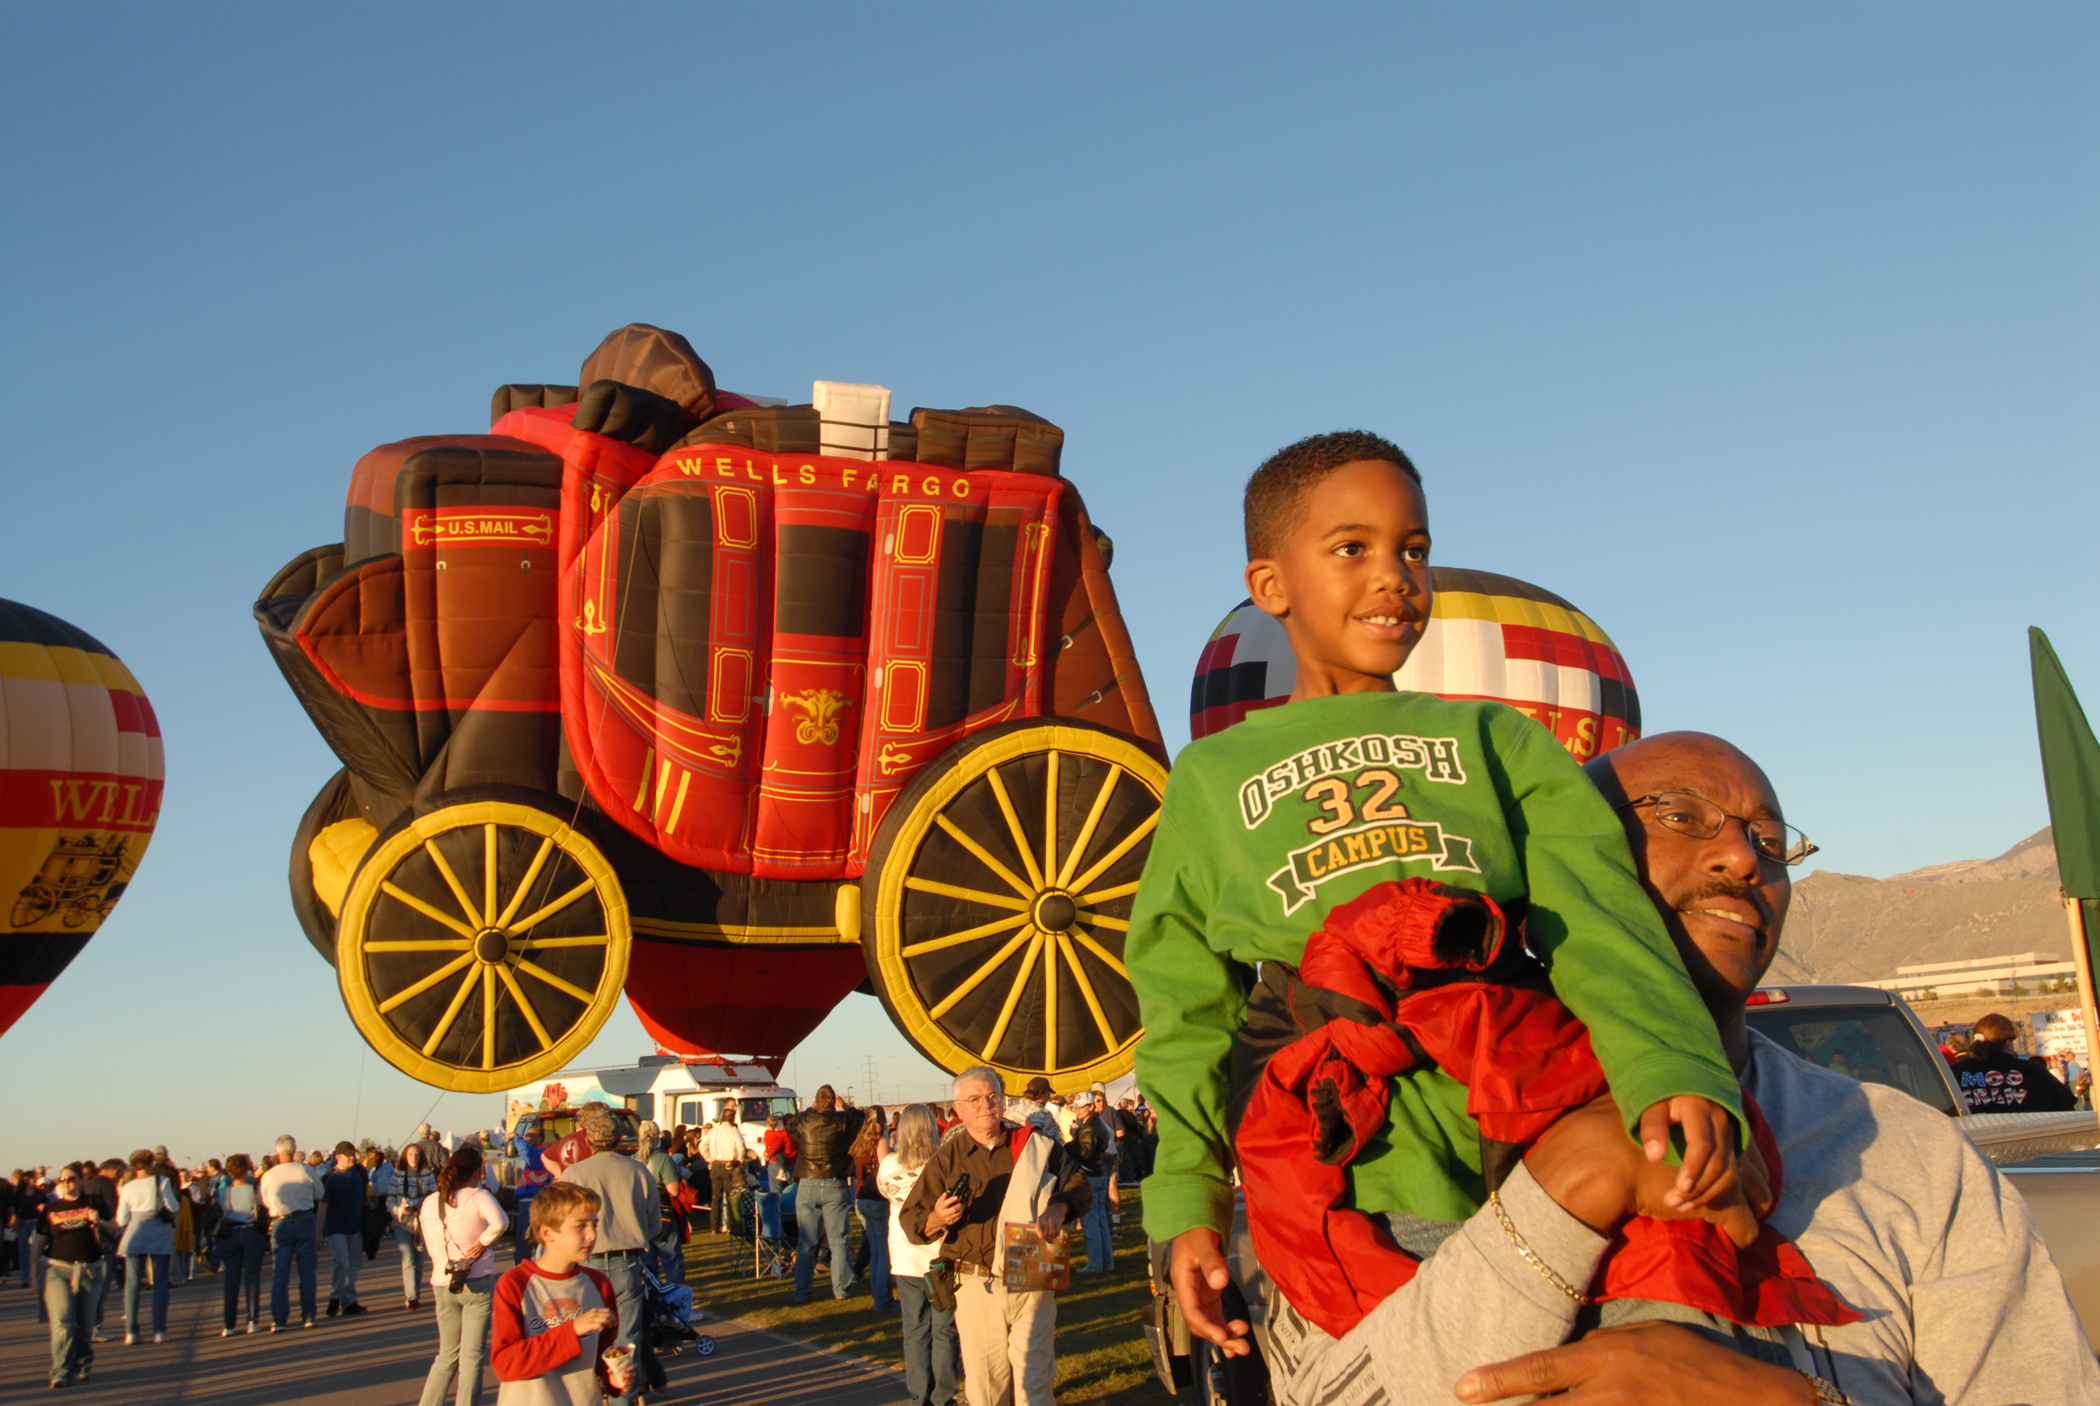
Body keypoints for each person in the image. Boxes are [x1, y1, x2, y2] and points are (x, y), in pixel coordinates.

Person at [1127, 432, 1747, 1351]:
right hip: (1354, 1165)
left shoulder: (1497, 739)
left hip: (1535, 1131)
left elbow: (1600, 923)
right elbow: (1184, 1006)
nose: (1395, 576)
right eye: (1353, 548)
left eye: (1412, 550)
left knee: (1625, 1356)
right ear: (1270, 586)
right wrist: (1188, 1195)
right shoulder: (1214, 777)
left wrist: (1671, 1067)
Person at [1260, 731, 2100, 1406]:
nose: (1744, 858)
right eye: (1680, 815)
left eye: (1770, 841)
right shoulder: (1377, 1127)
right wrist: (1564, 1187)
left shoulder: (1912, 1159)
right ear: (1566, 861)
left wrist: (1800, 1402)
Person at [898, 1065, 1091, 1406]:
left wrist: (1059, 1207)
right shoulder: (948, 1158)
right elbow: (912, 1221)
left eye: (992, 1097)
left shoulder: (1035, 1145)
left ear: (1003, 1102)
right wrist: (937, 1218)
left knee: (1036, 1381)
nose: (985, 1105)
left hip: (1032, 1272)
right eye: (974, 1099)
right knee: (987, 1391)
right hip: (975, 1284)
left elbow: (1078, 1183)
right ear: (958, 1109)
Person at [490, 1181, 635, 1404]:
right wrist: (571, 1331)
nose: (591, 1235)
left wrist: (613, 1377)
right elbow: (505, 1364)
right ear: (548, 1233)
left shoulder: (599, 1284)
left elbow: (602, 1352)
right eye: (580, 1226)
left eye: (594, 1225)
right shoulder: (514, 1284)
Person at [557, 1104, 655, 1403]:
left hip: (585, 1267)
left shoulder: (573, 1173)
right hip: (627, 1263)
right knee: (625, 1346)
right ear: (618, 1139)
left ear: (588, 1139)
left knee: (583, 1343)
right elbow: (652, 1224)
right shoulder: (638, 1170)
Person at [881, 1105, 963, 1406]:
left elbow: (885, 1193)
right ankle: (943, 1395)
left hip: (904, 1254)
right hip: (938, 1253)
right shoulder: (942, 1163)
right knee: (944, 1328)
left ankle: (920, 1394)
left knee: (914, 1329)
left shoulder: (889, 1165)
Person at [418, 1143, 509, 1406]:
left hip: (442, 1281)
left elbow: (429, 1242)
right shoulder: (478, 1196)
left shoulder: (430, 1202)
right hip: (477, 1279)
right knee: (471, 1357)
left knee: (446, 1355)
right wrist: (482, 1241)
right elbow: (501, 1222)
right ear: (479, 1170)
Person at [789, 1084, 860, 1305]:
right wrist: (844, 1105)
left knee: (806, 1242)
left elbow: (790, 1124)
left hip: (808, 1183)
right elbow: (860, 1120)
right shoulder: (842, 1121)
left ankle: (802, 1292)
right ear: (833, 1101)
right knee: (838, 1241)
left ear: (817, 1101)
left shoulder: (805, 1121)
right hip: (834, 1183)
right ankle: (841, 1290)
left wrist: (810, 1109)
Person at [38, 1165, 105, 1388]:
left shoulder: (93, 1202)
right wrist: (31, 1273)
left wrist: (99, 1221)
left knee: (85, 1325)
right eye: (63, 1179)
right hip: (58, 1269)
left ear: (80, 1181)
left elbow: (115, 1229)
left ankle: (83, 1363)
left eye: (72, 1178)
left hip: (90, 1269)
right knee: (63, 1322)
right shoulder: (50, 1209)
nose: (67, 1182)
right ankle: (61, 1372)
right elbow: (38, 1243)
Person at [259, 1134, 326, 1331]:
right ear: (295, 1148)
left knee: (280, 1272)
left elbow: (265, 1202)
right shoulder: (306, 1170)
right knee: (306, 1271)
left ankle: (279, 1319)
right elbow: (320, 1194)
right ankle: (308, 1315)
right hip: (304, 1218)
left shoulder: (268, 1176)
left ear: (276, 1152)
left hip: (280, 1221)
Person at [113, 1149, 177, 1345]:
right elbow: (174, 1207)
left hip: (136, 1232)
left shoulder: (127, 1187)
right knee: (159, 1283)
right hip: (158, 1232)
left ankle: (131, 1331)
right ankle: (159, 1330)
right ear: (151, 1164)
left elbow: (121, 1218)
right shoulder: (161, 1182)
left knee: (132, 1284)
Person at [1951, 1013, 2078, 1112]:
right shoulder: (2033, 1072)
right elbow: (2068, 1111)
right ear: (2008, 1043)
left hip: (1971, 1144)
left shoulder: (1953, 1074)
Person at [850, 1106, 896, 1311]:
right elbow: (885, 1168)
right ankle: (883, 1298)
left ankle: (879, 1296)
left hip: (861, 1198)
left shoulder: (860, 1141)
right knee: (883, 1250)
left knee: (876, 1250)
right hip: (877, 1198)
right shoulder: (881, 1141)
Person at [1065, 1094, 1117, 1274]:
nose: (1078, 1109)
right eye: (1077, 1107)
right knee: (1101, 1219)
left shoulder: (1089, 1128)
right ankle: (1106, 1262)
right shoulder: (1096, 1124)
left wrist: (1069, 1146)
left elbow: (1084, 1153)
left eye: (1081, 1107)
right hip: (1099, 1172)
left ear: (1091, 1107)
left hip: (1090, 1174)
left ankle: (1096, 1264)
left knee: (1091, 1221)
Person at [215, 1153, 266, 1336]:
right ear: (247, 1169)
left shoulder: (224, 1192)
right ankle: (252, 1320)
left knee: (231, 1279)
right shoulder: (254, 1190)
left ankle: (229, 1324)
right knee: (252, 1277)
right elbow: (261, 1207)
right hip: (251, 1231)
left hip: (231, 1233)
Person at [320, 1140, 370, 1318]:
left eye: (353, 1154)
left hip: (355, 1226)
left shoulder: (359, 1171)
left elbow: (365, 1192)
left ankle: (348, 1301)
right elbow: (323, 1206)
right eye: (348, 1155)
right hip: (335, 1227)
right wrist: (319, 1233)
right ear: (337, 1157)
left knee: (354, 1265)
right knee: (341, 1260)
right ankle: (335, 1296)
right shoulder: (329, 1178)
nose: (352, 1158)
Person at [637, 1121, 686, 1290]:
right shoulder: (663, 1159)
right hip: (662, 1216)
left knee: (648, 1264)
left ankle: (653, 1304)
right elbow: (674, 1190)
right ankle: (676, 1303)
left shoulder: (632, 1159)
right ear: (657, 1139)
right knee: (672, 1261)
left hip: (640, 1216)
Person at [390, 1142, 439, 1310]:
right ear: (405, 1157)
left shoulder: (428, 1175)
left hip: (421, 1223)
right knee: (408, 1259)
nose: (414, 1158)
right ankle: (411, 1297)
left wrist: (423, 1208)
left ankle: (415, 1293)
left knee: (419, 1261)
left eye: (417, 1154)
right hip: (402, 1223)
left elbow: (435, 1197)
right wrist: (400, 1210)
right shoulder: (397, 1177)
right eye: (410, 1154)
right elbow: (389, 1201)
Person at [699, 1111, 748, 1234]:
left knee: (716, 1197)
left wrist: (709, 1158)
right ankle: (731, 1226)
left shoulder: (713, 1131)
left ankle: (714, 1227)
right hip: (728, 1165)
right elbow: (741, 1146)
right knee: (730, 1196)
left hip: (716, 1166)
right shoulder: (733, 1130)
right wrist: (740, 1159)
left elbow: (702, 1146)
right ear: (733, 1118)